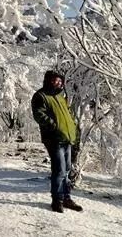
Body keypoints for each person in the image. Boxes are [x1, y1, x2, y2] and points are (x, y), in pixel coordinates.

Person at [31, 70, 84, 213]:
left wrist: (73, 130)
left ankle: (66, 198)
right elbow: (39, 114)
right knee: (59, 170)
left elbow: (68, 115)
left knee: (66, 170)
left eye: (60, 80)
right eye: (55, 80)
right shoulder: (40, 96)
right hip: (54, 139)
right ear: (48, 80)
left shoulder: (61, 97)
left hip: (66, 138)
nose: (58, 83)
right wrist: (54, 126)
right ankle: (57, 200)